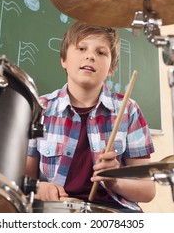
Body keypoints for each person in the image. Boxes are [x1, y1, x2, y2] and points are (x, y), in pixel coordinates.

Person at [26, 21, 155, 212]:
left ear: (111, 68)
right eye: (81, 48)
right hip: (54, 211)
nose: (90, 56)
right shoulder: (39, 108)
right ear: (63, 59)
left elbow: (147, 190)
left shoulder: (128, 110)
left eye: (101, 52)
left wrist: (115, 181)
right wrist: (38, 188)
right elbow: (20, 180)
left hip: (114, 212)